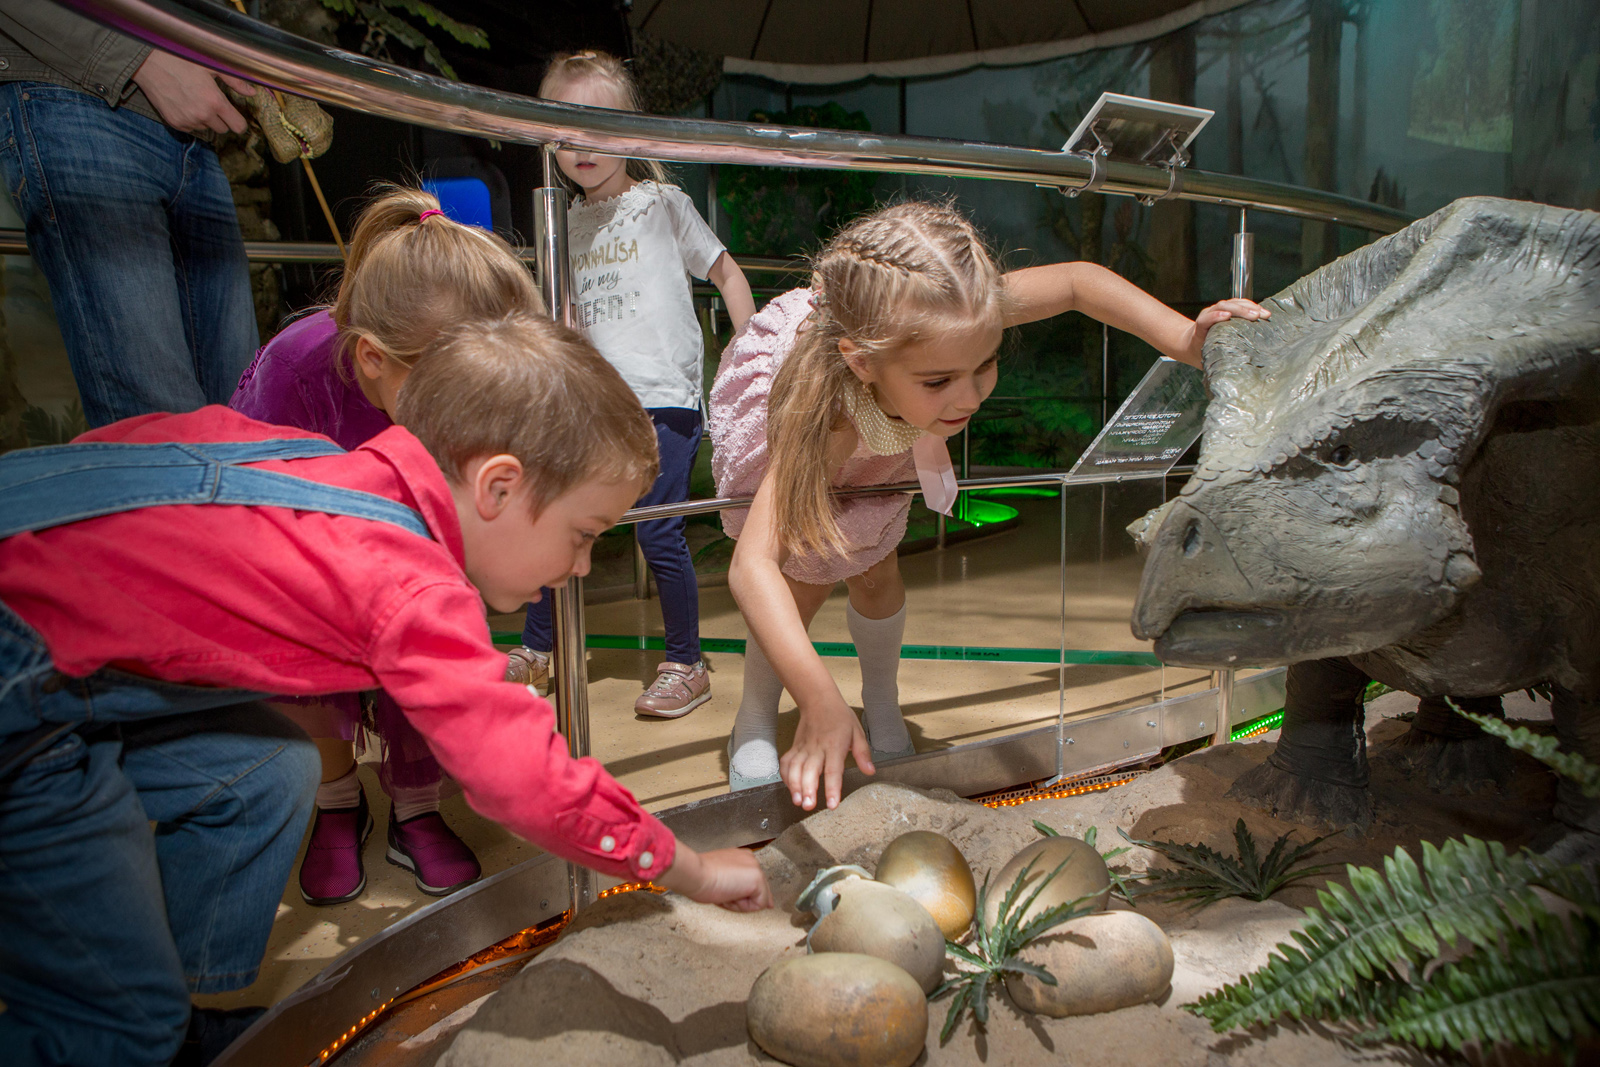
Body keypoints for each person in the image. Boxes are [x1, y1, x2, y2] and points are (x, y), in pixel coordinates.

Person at [0, 310, 772, 1067]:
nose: (578, 566)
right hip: (21, 688)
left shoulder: (312, 460)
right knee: (111, 1018)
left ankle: (173, 1013)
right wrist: (688, 867)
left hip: (46, 607)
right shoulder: (408, 582)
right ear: (497, 486)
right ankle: (127, 1028)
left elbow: (127, 450)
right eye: (584, 534)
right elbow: (523, 778)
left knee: (263, 771)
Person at [712, 200, 1269, 810]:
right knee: (801, 582)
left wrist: (1186, 338)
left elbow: (1079, 281)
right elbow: (752, 564)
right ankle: (756, 718)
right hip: (818, 427)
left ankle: (882, 705)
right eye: (940, 380)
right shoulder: (831, 412)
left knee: (877, 570)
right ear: (862, 361)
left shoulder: (955, 307)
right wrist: (819, 698)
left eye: (986, 365)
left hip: (889, 426)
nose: (971, 396)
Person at [230, 185, 541, 905]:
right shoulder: (292, 375)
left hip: (410, 552)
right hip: (303, 559)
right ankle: (336, 795)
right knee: (307, 660)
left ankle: (416, 803)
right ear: (372, 359)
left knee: (432, 632)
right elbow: (260, 531)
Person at [506, 50, 756, 718]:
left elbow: (727, 273)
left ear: (634, 133)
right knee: (556, 519)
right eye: (567, 127)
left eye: (601, 125)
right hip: (592, 404)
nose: (584, 146)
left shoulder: (663, 203)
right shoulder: (559, 220)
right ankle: (541, 649)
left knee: (657, 529)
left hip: (665, 396)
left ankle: (686, 660)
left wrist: (753, 350)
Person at [0, 1, 259, 426]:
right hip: (74, 97)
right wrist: (135, 57)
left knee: (244, 412)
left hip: (194, 130)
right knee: (165, 430)